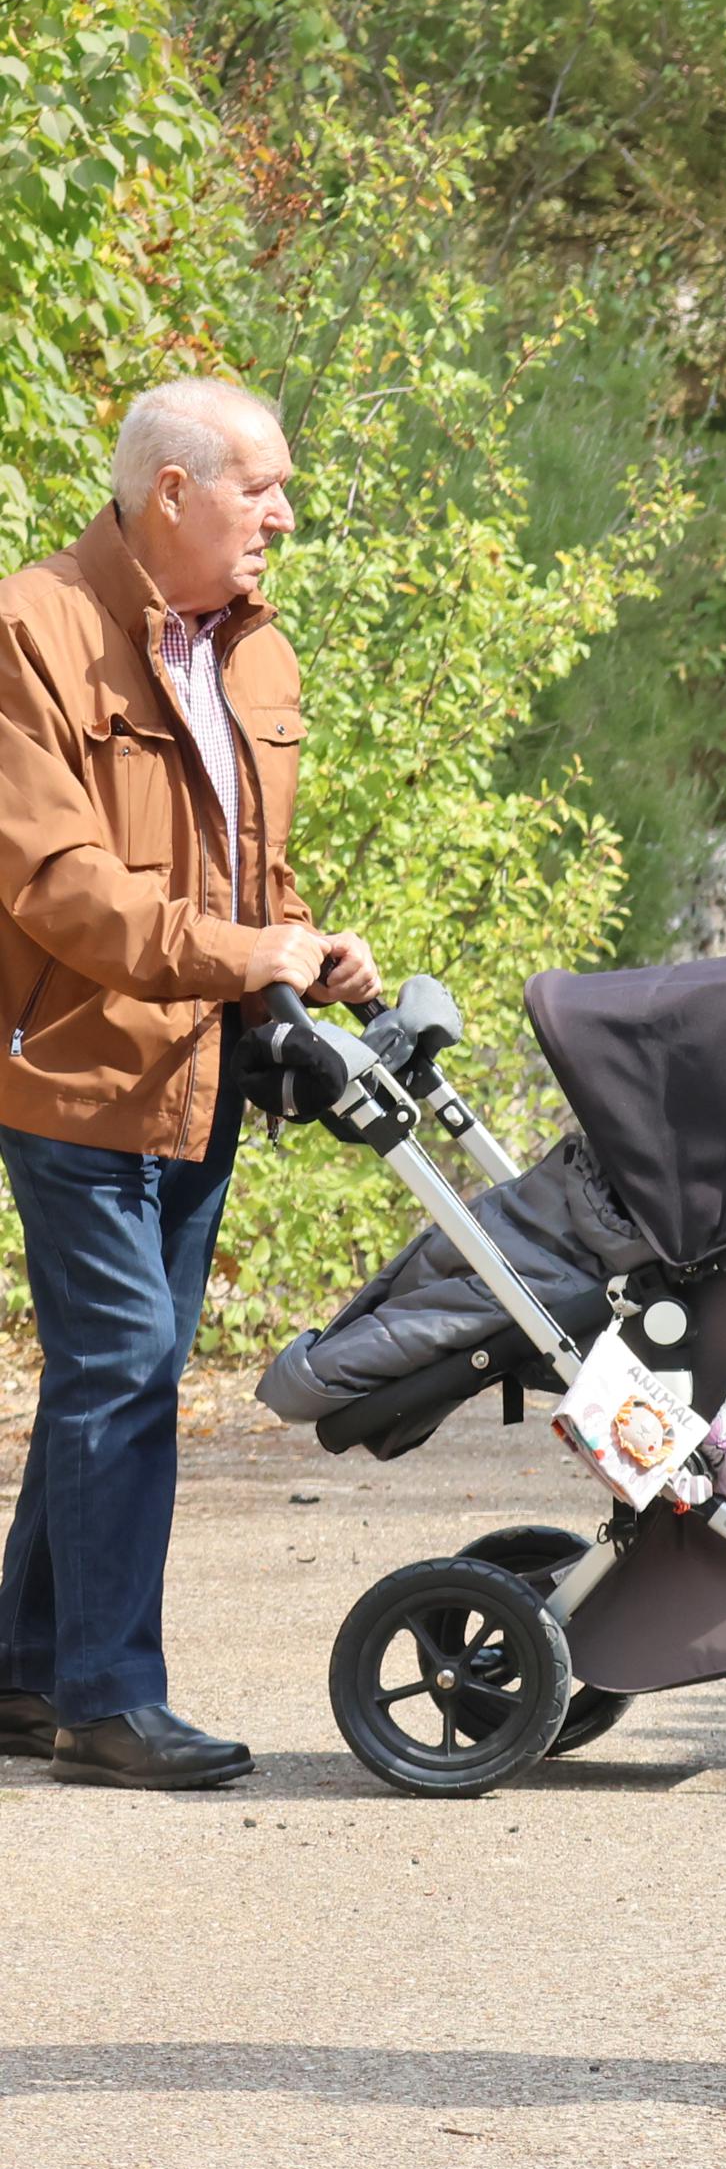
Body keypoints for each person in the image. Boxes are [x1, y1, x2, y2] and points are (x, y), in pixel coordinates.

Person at [0, 380, 374, 1793]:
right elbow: (60, 889)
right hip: (73, 1067)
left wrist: (308, 943)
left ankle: (26, 1668)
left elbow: (242, 868)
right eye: (258, 486)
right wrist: (240, 946)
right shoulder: (28, 629)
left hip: (201, 1068)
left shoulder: (257, 652)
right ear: (171, 491)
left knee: (123, 1366)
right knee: (125, 1364)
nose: (284, 511)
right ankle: (109, 1696)